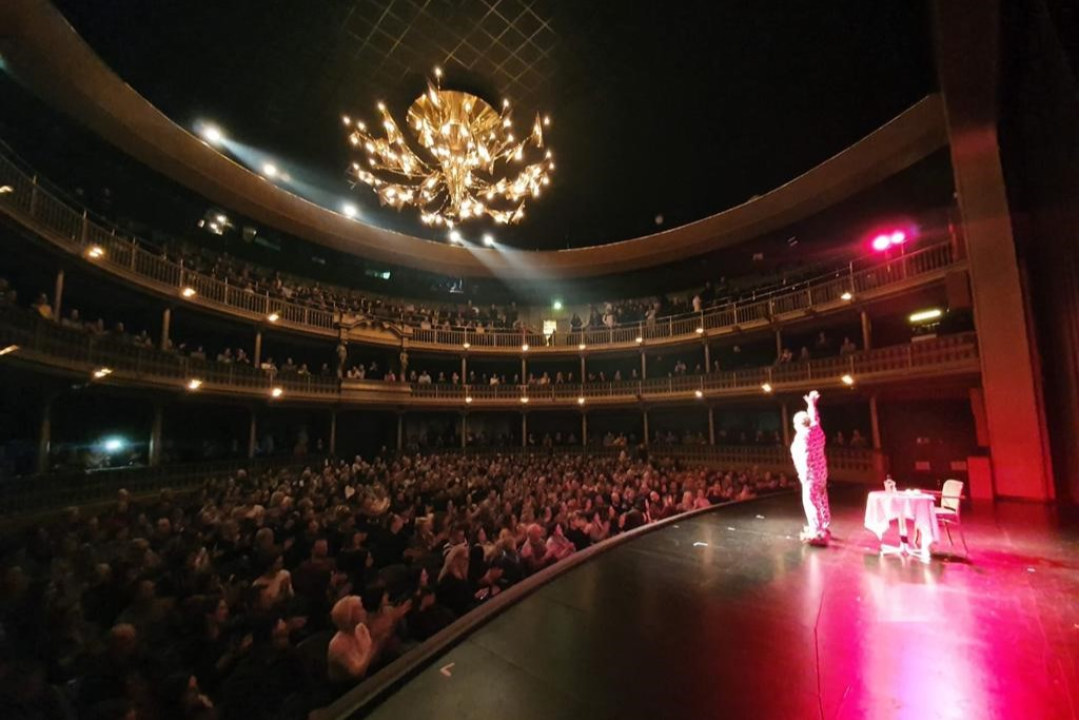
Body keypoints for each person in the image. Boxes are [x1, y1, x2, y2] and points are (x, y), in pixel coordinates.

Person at [791, 390, 831, 545]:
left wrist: (803, 476)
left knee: (811, 502)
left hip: (811, 475)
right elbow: (815, 418)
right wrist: (811, 404)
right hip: (822, 473)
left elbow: (802, 458)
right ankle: (824, 525)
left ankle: (817, 532)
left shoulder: (802, 437)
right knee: (822, 498)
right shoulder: (816, 430)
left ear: (798, 425)